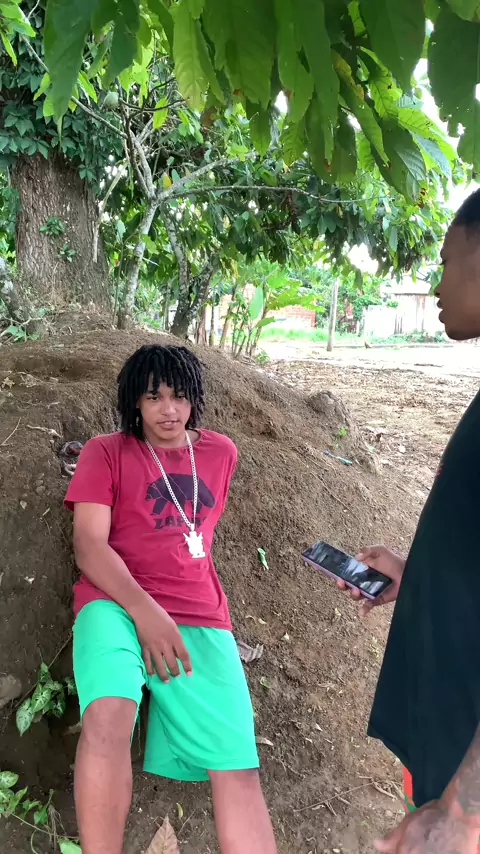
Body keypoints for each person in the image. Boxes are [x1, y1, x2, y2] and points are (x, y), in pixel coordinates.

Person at [65, 343, 277, 854]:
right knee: (108, 716)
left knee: (237, 762)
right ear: (134, 402)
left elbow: (195, 539)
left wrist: (171, 613)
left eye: (179, 397)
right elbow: (89, 545)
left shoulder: (222, 453)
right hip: (114, 601)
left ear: (194, 399)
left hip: (200, 613)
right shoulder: (105, 452)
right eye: (153, 397)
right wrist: (145, 611)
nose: (168, 409)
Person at [339, 189, 480, 853]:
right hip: (449, 734)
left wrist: (463, 813)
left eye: (448, 261)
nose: (439, 283)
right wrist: (415, 575)